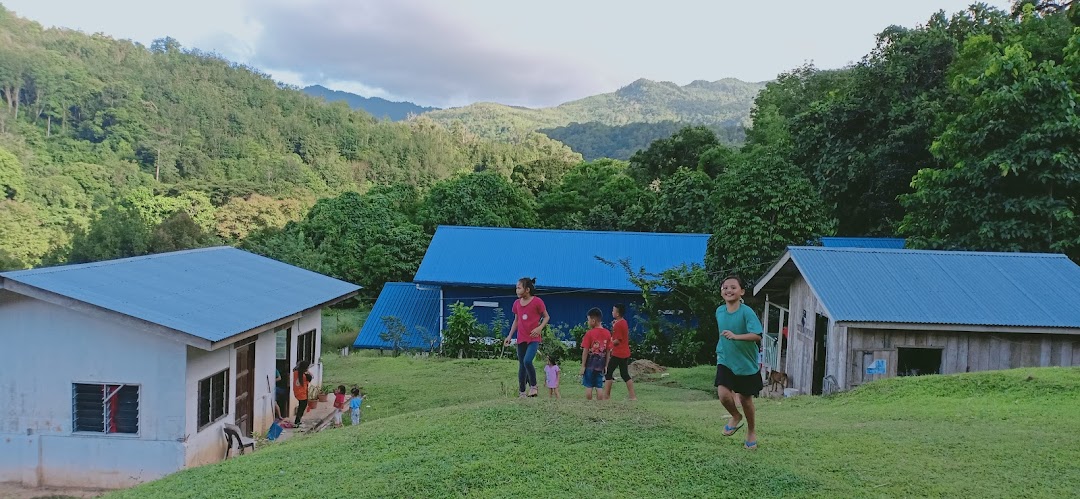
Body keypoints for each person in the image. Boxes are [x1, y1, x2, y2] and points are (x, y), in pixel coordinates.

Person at [714, 275, 764, 450]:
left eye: (733, 287)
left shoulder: (747, 312)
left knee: (745, 399)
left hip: (745, 362)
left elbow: (757, 335)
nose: (728, 290)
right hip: (725, 358)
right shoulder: (719, 311)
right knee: (723, 393)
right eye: (725, 287)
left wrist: (736, 337)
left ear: (741, 291)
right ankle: (735, 416)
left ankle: (751, 431)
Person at [503, 277, 550, 398]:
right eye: (516, 288)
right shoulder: (517, 303)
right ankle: (522, 392)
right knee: (521, 365)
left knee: (527, 361)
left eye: (519, 288)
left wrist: (539, 328)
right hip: (521, 338)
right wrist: (509, 336)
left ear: (527, 289)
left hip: (533, 338)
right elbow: (516, 321)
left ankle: (534, 386)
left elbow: (546, 317)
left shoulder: (537, 302)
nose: (516, 290)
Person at [604, 303, 638, 401]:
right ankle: (632, 396)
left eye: (613, 310)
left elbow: (617, 340)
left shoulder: (618, 324)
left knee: (608, 373)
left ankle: (606, 396)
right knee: (624, 374)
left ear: (617, 313)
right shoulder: (623, 322)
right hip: (625, 352)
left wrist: (609, 345)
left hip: (618, 353)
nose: (612, 312)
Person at [579, 307, 611, 401]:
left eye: (588, 320)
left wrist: (583, 365)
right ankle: (599, 404)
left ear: (593, 321)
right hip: (600, 365)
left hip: (589, 365)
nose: (587, 322)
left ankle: (589, 403)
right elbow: (608, 351)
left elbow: (585, 351)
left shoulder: (589, 333)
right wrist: (606, 365)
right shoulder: (607, 333)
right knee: (599, 386)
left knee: (588, 386)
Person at [292, 361, 312, 427]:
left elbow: (294, 369)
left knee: (301, 407)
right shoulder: (305, 375)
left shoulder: (295, 372)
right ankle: (297, 422)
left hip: (297, 392)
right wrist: (307, 371)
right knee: (301, 408)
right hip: (302, 394)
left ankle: (297, 421)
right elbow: (311, 378)